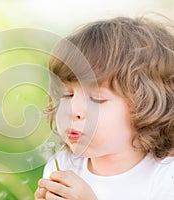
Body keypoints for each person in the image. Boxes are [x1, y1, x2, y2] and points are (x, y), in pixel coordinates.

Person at [35, 16, 174, 200]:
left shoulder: (165, 178)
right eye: (68, 95)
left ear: (148, 106)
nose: (72, 110)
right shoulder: (62, 166)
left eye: (96, 99)